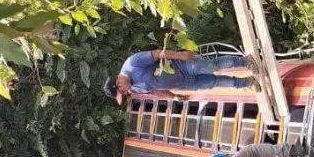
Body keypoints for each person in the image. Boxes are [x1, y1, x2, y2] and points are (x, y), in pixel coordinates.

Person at [103, 49, 262, 104]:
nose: (126, 93)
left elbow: (157, 53)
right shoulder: (133, 89)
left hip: (181, 66)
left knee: (212, 66)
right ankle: (247, 82)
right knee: (214, 82)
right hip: (183, 84)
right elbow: (154, 91)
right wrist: (173, 96)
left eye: (122, 91)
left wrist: (181, 55)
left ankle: (245, 61)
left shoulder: (132, 63)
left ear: (118, 82)